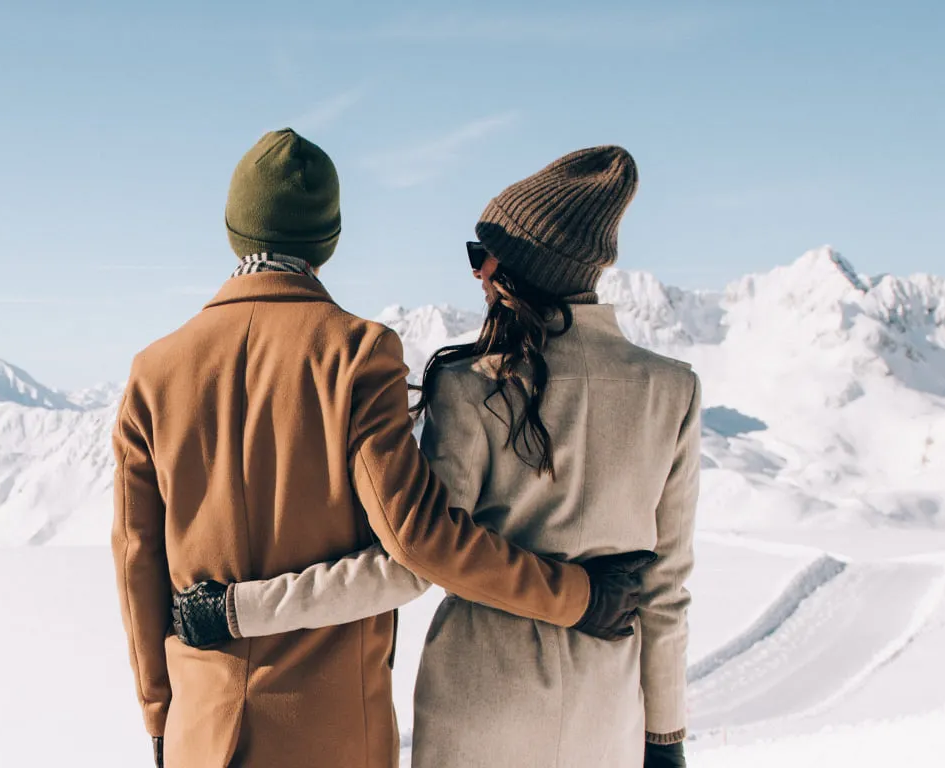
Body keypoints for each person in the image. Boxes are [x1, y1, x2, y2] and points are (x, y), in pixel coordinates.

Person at [110, 129, 655, 768]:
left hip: (200, 732)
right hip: (334, 734)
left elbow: (137, 560)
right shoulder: (356, 353)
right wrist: (578, 597)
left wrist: (161, 716)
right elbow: (418, 540)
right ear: (329, 240)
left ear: (234, 229)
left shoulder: (153, 371)